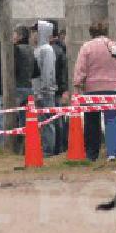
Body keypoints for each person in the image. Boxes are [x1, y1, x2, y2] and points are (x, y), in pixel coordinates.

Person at [72, 20, 116, 161]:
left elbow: (80, 69)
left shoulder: (86, 47)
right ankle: (113, 152)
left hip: (92, 89)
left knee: (92, 121)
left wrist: (77, 84)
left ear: (91, 33)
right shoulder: (115, 46)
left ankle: (92, 154)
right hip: (113, 88)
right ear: (106, 32)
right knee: (112, 119)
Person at [30, 21, 57, 155]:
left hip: (45, 92)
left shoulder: (47, 50)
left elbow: (47, 72)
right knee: (41, 122)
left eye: (35, 32)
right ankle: (43, 149)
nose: (33, 35)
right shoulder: (38, 49)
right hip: (37, 91)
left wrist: (43, 90)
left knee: (47, 121)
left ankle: (48, 150)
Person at [10, 26, 37, 154]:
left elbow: (12, 69)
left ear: (20, 36)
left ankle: (16, 148)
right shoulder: (32, 50)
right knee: (27, 120)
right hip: (29, 87)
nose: (13, 36)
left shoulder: (16, 49)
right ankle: (26, 148)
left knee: (15, 119)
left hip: (18, 87)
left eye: (14, 34)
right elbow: (37, 71)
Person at [47, 20, 69, 156]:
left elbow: (56, 72)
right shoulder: (60, 48)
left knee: (54, 120)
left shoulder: (52, 50)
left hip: (54, 89)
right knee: (58, 119)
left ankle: (57, 148)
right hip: (59, 89)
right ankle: (60, 147)